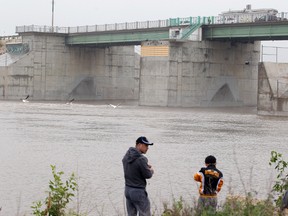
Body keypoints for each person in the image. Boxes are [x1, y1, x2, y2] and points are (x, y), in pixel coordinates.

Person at [122, 136, 154, 216]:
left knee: (131, 214)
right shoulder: (141, 159)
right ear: (139, 145)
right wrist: (151, 170)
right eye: (146, 145)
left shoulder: (127, 156)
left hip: (128, 190)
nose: (147, 148)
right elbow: (148, 175)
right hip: (138, 191)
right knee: (145, 213)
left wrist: (144, 166)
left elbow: (133, 167)